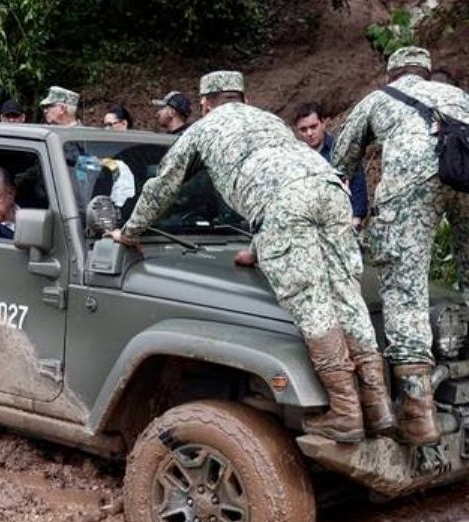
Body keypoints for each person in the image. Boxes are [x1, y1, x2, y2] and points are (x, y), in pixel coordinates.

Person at [109, 71, 395, 442]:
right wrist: (259, 250)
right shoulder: (269, 120)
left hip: (285, 206)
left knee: (311, 303)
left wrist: (130, 232)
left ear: (205, 103)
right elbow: (282, 179)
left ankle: (345, 413)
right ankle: (378, 405)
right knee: (346, 293)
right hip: (330, 189)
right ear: (242, 98)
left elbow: (163, 186)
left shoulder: (203, 129)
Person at [331, 47, 469, 444]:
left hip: (414, 182)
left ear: (392, 75)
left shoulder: (379, 99)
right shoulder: (458, 96)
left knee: (405, 286)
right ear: (426, 71)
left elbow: (341, 160)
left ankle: (419, 416)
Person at [293, 102, 368, 228]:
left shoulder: (341, 150)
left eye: (313, 126)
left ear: (323, 122)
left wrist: (356, 217)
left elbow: (357, 183)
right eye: (303, 130)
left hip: (343, 222)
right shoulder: (295, 157)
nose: (309, 133)